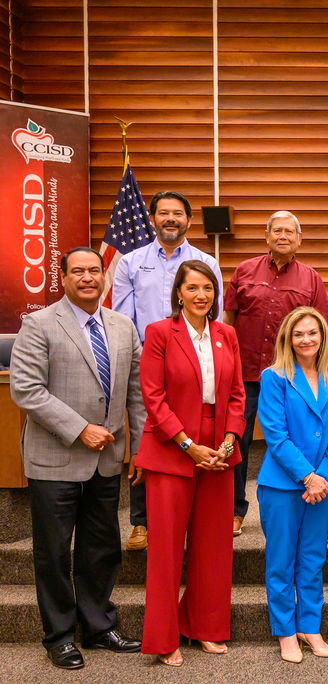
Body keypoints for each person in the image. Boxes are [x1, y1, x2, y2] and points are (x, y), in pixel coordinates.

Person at [10, 247, 146, 670]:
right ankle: (59, 636)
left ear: (105, 277)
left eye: (94, 271)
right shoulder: (38, 323)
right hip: (55, 458)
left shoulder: (123, 326)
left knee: (100, 547)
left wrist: (139, 447)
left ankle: (99, 626)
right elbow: (27, 390)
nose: (88, 278)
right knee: (53, 552)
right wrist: (79, 428)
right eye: (78, 272)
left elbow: (136, 394)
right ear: (64, 278)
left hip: (107, 459)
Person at [134, 260, 246, 667]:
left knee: (214, 546)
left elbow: (236, 394)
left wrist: (230, 438)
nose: (202, 296)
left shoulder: (227, 334)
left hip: (219, 446)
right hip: (172, 446)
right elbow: (153, 395)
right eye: (193, 288)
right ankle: (164, 638)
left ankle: (206, 628)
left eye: (208, 289)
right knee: (165, 550)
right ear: (178, 292)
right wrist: (187, 444)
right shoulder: (160, 333)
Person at [112, 189, 223, 551]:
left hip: (191, 367)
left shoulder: (205, 260)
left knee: (189, 432)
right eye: (163, 213)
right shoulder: (130, 262)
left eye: (178, 213)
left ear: (189, 221)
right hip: (145, 363)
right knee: (150, 436)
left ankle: (190, 515)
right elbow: (122, 317)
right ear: (153, 218)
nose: (170, 219)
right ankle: (141, 521)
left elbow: (213, 314)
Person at [224, 210, 328, 537]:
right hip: (243, 375)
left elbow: (318, 328)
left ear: (299, 239)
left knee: (296, 441)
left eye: (290, 231)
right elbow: (227, 322)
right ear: (267, 236)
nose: (283, 236)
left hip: (292, 380)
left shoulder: (311, 278)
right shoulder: (244, 271)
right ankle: (234, 510)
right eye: (278, 231)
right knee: (236, 443)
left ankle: (309, 504)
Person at [256, 307, 328, 663]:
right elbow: (275, 435)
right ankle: (285, 632)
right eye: (299, 334)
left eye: (313, 333)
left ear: (323, 336)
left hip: (324, 486)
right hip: (283, 486)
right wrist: (308, 477)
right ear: (287, 339)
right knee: (281, 560)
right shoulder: (274, 377)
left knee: (312, 559)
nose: (306, 339)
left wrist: (322, 477)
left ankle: (310, 627)